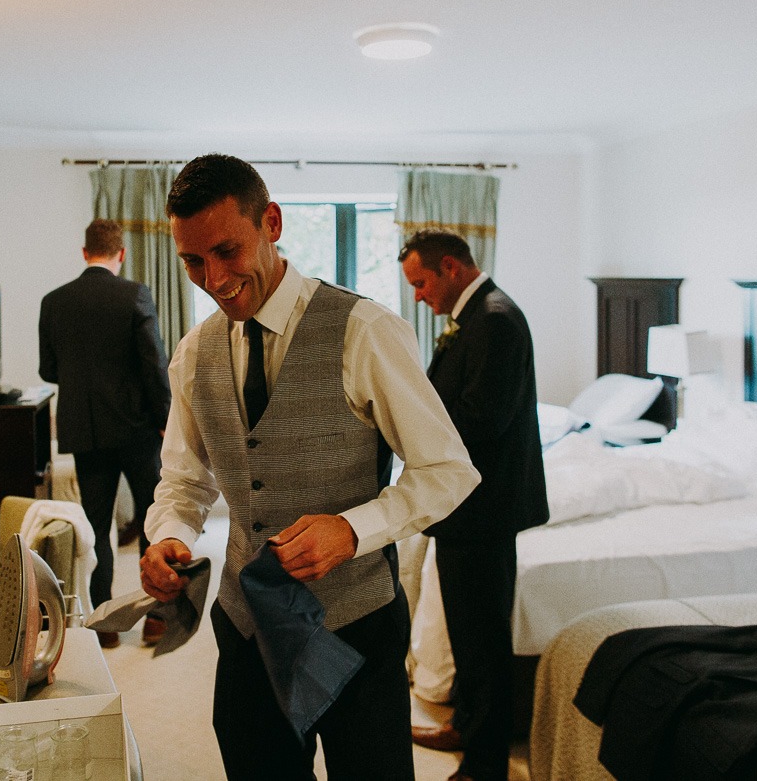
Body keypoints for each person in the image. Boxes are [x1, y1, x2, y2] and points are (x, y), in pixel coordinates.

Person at [140, 154, 480, 781]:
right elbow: (185, 481)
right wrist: (169, 535)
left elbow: (448, 470)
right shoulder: (193, 352)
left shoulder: (367, 330)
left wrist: (353, 530)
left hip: (355, 627)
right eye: (192, 261)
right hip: (247, 632)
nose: (213, 279)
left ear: (271, 222)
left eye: (226, 251)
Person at [398, 230, 549, 781]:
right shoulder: (480, 315)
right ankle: (465, 722)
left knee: (483, 638)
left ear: (451, 269)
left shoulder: (496, 321)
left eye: (420, 282)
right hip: (467, 509)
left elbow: (484, 418)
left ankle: (485, 765)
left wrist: (414, 428)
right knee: (465, 629)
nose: (416, 295)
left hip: (484, 510)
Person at [39, 218, 171, 648]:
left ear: (84, 253)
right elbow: (153, 364)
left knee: (95, 525)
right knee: (154, 517)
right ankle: (155, 617)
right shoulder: (135, 295)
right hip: (136, 428)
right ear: (122, 253)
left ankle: (107, 622)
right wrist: (165, 417)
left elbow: (48, 369)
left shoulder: (54, 301)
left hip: (86, 430)